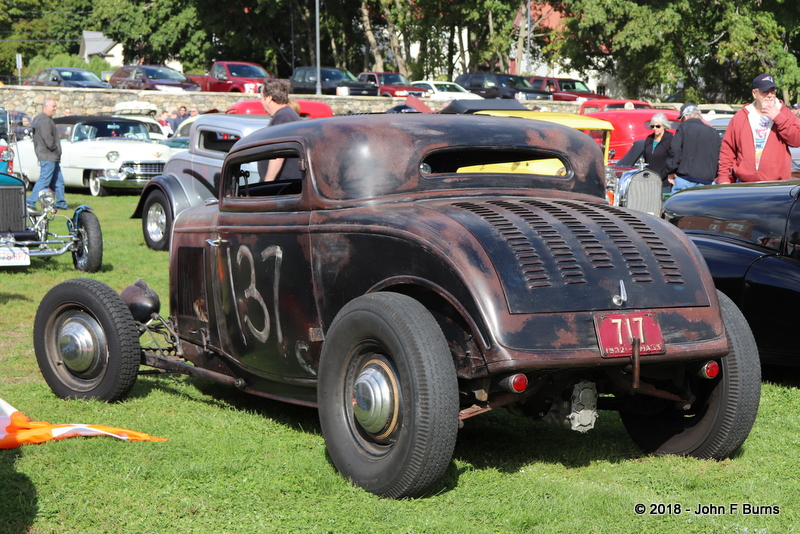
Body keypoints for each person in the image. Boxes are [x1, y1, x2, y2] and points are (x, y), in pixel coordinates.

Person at [717, 73, 800, 183]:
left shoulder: (784, 113)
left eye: (773, 91)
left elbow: (797, 140)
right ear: (754, 94)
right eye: (765, 91)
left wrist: (778, 118)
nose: (770, 95)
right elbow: (727, 150)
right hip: (745, 184)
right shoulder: (741, 117)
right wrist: (723, 178)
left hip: (776, 184)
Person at [666, 104, 720, 194]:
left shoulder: (683, 128)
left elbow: (675, 150)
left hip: (685, 179)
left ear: (686, 117)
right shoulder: (713, 132)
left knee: (678, 207)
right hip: (706, 181)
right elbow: (718, 155)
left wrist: (671, 170)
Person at [27, 98, 68, 210]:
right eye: (53, 106)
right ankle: (30, 201)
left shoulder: (43, 119)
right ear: (46, 106)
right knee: (45, 180)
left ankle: (61, 203)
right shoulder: (44, 120)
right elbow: (48, 139)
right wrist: (55, 149)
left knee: (58, 181)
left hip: (51, 156)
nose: (55, 108)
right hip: (48, 155)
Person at [260, 78, 301, 182]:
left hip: (282, 185)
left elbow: (279, 152)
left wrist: (268, 181)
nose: (261, 101)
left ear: (269, 98)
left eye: (261, 97)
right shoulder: (286, 114)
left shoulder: (283, 117)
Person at [643, 112, 674, 193]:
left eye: (658, 126)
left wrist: (664, 174)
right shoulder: (649, 139)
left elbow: (673, 159)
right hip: (649, 180)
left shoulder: (670, 139)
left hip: (664, 182)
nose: (655, 128)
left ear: (664, 126)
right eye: (652, 126)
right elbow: (645, 158)